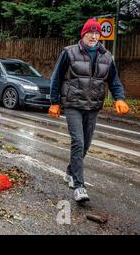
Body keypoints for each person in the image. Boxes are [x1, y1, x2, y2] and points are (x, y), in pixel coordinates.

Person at [49, 18, 130, 203]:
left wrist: (120, 98)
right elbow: (56, 78)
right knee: (78, 141)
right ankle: (79, 186)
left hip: (93, 106)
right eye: (90, 33)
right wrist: (54, 102)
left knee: (85, 144)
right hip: (72, 104)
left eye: (97, 33)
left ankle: (70, 172)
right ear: (83, 34)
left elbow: (114, 80)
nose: (93, 36)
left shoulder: (106, 56)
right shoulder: (69, 52)